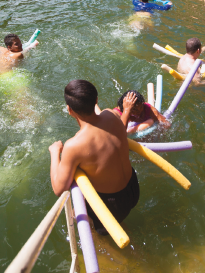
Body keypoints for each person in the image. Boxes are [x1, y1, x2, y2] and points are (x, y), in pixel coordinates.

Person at [48, 80, 139, 236]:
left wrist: (55, 152)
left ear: (69, 110)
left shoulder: (73, 146)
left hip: (111, 206)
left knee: (76, 213)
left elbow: (58, 188)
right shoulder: (112, 114)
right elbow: (112, 130)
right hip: (133, 189)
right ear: (96, 100)